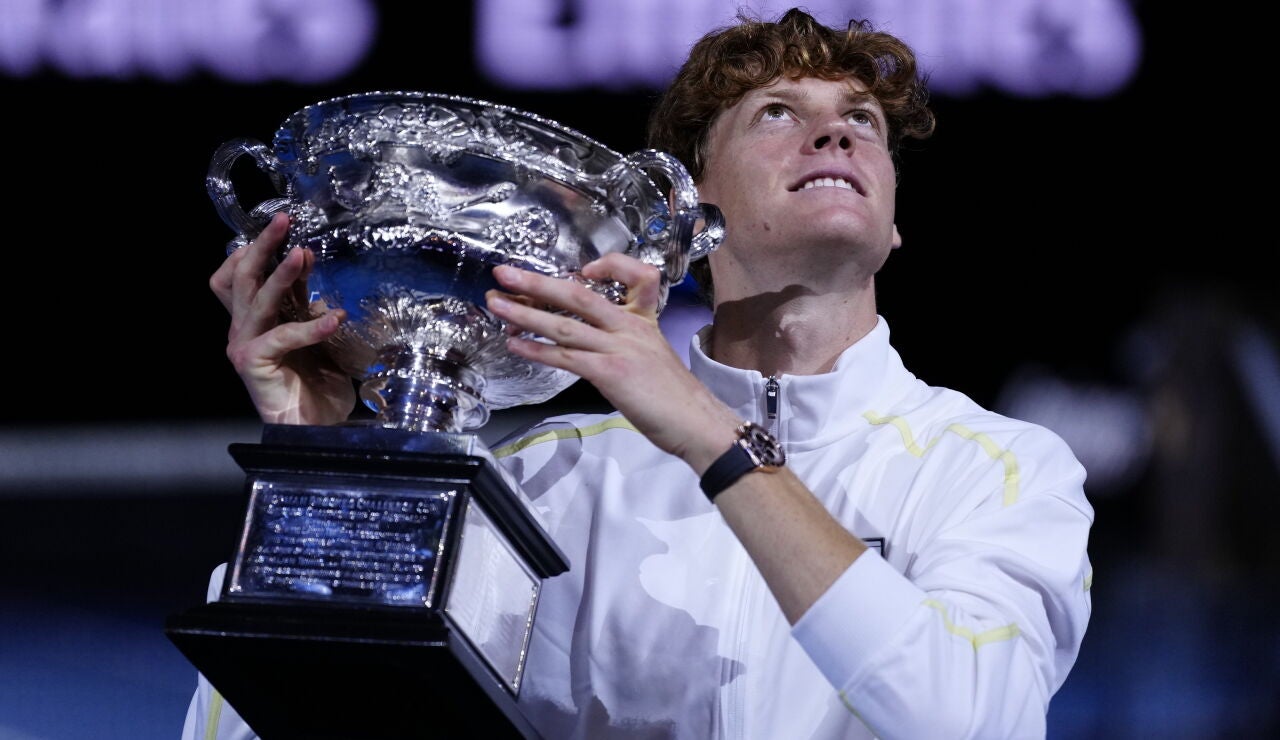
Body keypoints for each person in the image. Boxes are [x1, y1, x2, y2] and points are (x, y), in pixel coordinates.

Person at [185, 7, 1094, 739]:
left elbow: (967, 718)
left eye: (863, 121)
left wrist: (714, 439)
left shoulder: (995, 469)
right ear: (690, 212)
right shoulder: (549, 479)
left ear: (894, 222)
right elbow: (275, 722)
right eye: (779, 114)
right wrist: (323, 475)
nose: (835, 134)